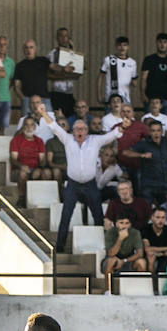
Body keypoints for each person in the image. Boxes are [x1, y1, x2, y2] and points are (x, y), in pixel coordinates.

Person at [37, 101, 123, 252]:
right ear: (73, 131)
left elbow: (113, 135)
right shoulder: (68, 139)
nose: (79, 131)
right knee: (66, 216)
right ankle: (60, 247)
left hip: (90, 184)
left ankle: (102, 245)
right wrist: (44, 113)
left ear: (87, 130)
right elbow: (54, 127)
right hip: (73, 184)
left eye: (82, 128)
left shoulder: (95, 140)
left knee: (98, 216)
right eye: (76, 129)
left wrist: (124, 126)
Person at [47, 27, 83, 118]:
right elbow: (47, 75)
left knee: (71, 119)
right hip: (57, 93)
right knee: (58, 119)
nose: (64, 38)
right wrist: (64, 76)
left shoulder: (73, 54)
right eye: (61, 36)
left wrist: (74, 49)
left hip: (69, 93)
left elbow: (79, 72)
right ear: (57, 38)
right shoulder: (52, 54)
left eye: (66, 36)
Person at [11, 39, 51, 118]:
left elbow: (54, 67)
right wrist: (24, 98)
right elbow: (17, 86)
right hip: (28, 100)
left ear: (35, 49)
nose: (28, 50)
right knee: (28, 124)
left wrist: (64, 69)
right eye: (26, 48)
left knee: (49, 123)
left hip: (44, 99)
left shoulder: (43, 60)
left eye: (31, 47)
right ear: (23, 50)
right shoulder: (19, 66)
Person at [101, 36, 138, 109]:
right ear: (116, 46)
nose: (122, 47)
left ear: (128, 47)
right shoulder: (109, 59)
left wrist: (134, 83)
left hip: (125, 98)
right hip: (111, 97)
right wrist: (99, 95)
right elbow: (100, 77)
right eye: (119, 45)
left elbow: (134, 80)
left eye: (124, 45)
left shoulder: (132, 62)